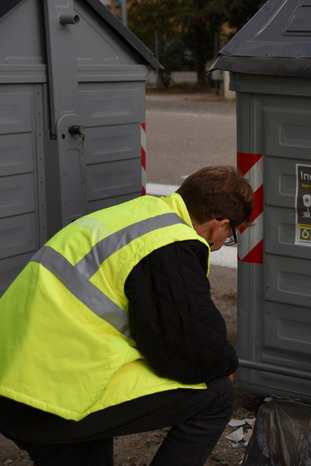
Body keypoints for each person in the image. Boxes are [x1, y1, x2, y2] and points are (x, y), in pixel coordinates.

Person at [0, 166, 254, 465]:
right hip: (49, 401)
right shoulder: (170, 244)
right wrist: (223, 362)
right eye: (232, 234)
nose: (226, 241)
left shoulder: (139, 215)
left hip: (19, 377)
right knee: (218, 394)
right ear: (218, 224)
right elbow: (186, 351)